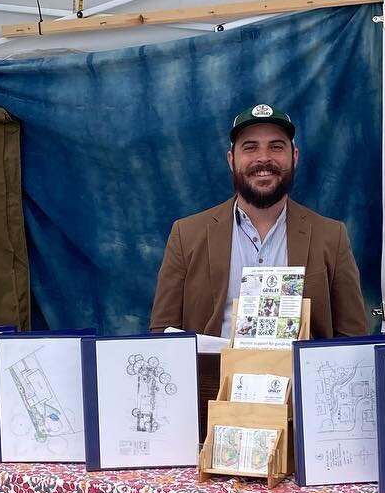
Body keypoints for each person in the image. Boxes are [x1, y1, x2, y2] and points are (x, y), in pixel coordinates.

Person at [149, 102, 369, 339]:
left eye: (276, 147)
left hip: (298, 376)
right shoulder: (186, 235)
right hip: (213, 375)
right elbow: (164, 333)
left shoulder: (331, 236)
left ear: (294, 157)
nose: (263, 158)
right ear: (231, 160)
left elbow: (353, 336)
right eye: (250, 148)